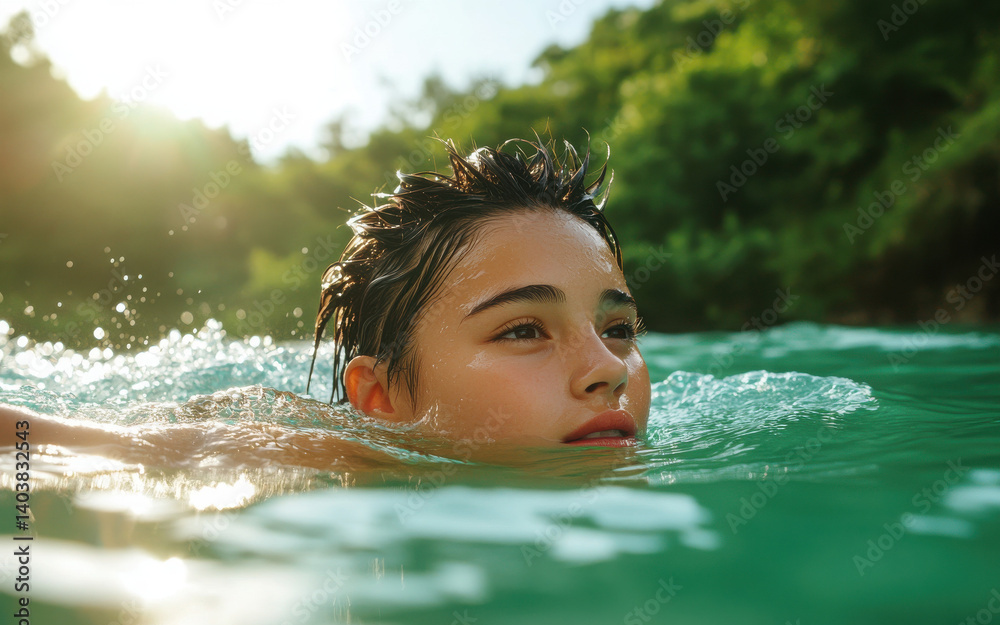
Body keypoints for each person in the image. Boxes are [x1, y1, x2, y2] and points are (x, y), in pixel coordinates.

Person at [0, 137, 651, 462]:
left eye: (618, 327)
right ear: (382, 399)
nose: (609, 368)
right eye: (523, 330)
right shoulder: (330, 456)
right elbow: (42, 440)